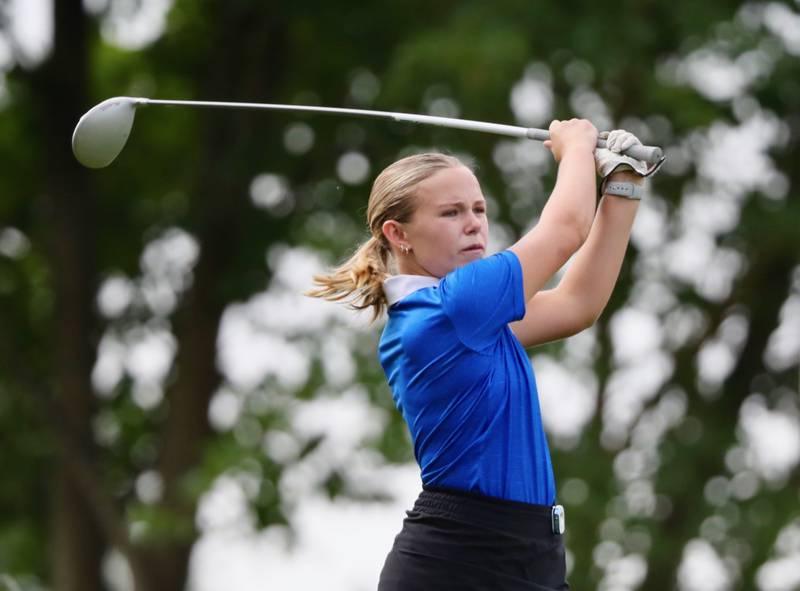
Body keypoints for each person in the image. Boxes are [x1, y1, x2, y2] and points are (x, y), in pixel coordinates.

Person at [308, 119, 661, 590]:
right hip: (461, 561)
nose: (474, 223)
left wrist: (622, 184)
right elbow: (566, 229)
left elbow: (578, 305)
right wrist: (575, 146)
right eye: (451, 213)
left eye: (478, 208)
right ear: (398, 234)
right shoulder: (448, 309)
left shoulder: (465, 313)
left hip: (530, 557)